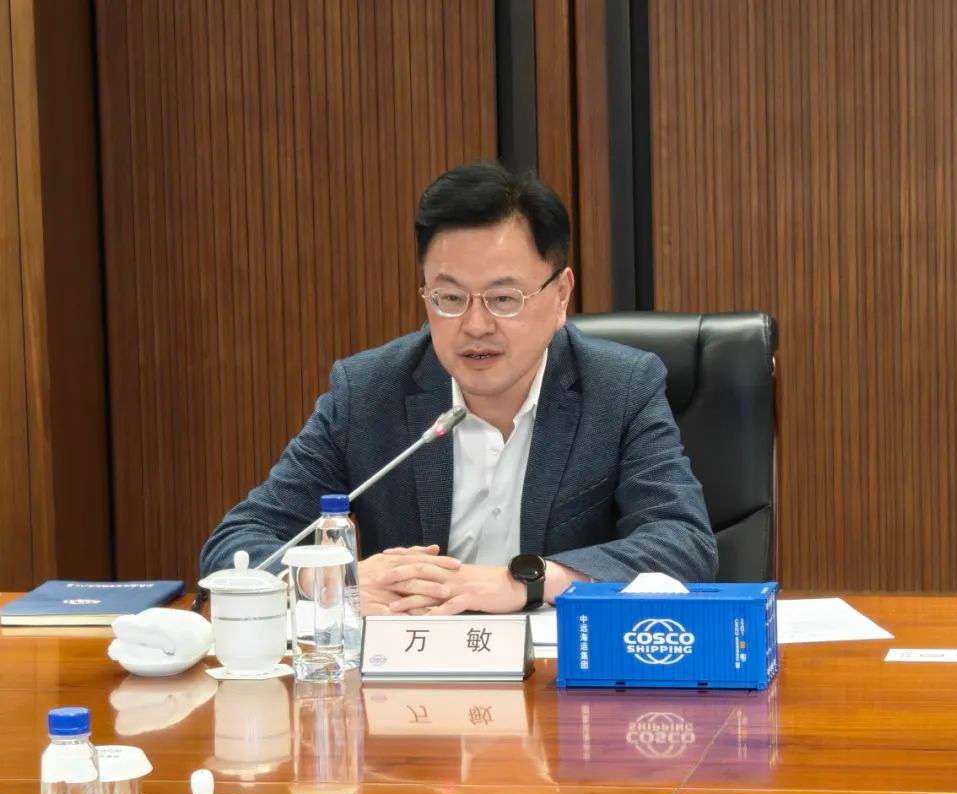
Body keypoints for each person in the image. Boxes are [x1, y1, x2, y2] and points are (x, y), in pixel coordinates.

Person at [200, 162, 716, 614]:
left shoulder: (619, 388)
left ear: (561, 295)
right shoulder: (369, 392)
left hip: (557, 678)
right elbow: (237, 546)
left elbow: (682, 543)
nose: (475, 326)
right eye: (449, 298)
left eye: (503, 299)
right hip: (408, 679)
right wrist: (334, 581)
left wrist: (526, 581)